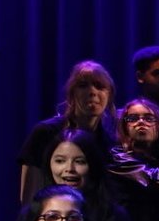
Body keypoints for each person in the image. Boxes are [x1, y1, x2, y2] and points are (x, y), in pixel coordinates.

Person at [19, 61, 116, 201]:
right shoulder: (46, 132)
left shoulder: (108, 142)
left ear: (109, 94)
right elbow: (28, 198)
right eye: (83, 85)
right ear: (72, 93)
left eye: (99, 86)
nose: (92, 92)